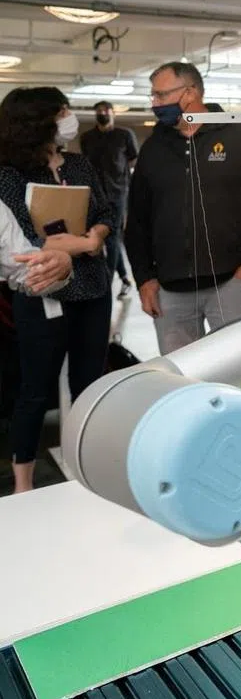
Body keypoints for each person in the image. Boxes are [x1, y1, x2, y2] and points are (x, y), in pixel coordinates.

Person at [0, 87, 114, 494]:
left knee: (89, 383)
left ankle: (88, 463)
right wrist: (86, 244)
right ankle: (23, 482)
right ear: (39, 121)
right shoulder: (11, 175)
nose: (70, 118)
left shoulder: (80, 164)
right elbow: (25, 241)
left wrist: (97, 233)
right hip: (41, 292)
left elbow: (104, 211)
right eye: (63, 111)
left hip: (93, 289)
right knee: (35, 389)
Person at [126, 62, 241, 355]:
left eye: (160, 95)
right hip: (170, 290)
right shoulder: (154, 147)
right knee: (183, 376)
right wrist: (144, 279)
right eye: (152, 97)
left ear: (190, 93)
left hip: (232, 281)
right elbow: (138, 219)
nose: (155, 104)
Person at [80, 100, 137, 298]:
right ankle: (124, 278)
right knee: (103, 237)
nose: (102, 113)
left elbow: (131, 160)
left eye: (105, 110)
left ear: (113, 113)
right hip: (95, 195)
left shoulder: (124, 135)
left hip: (117, 193)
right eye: (99, 111)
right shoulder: (87, 138)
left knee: (112, 238)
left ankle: (107, 283)